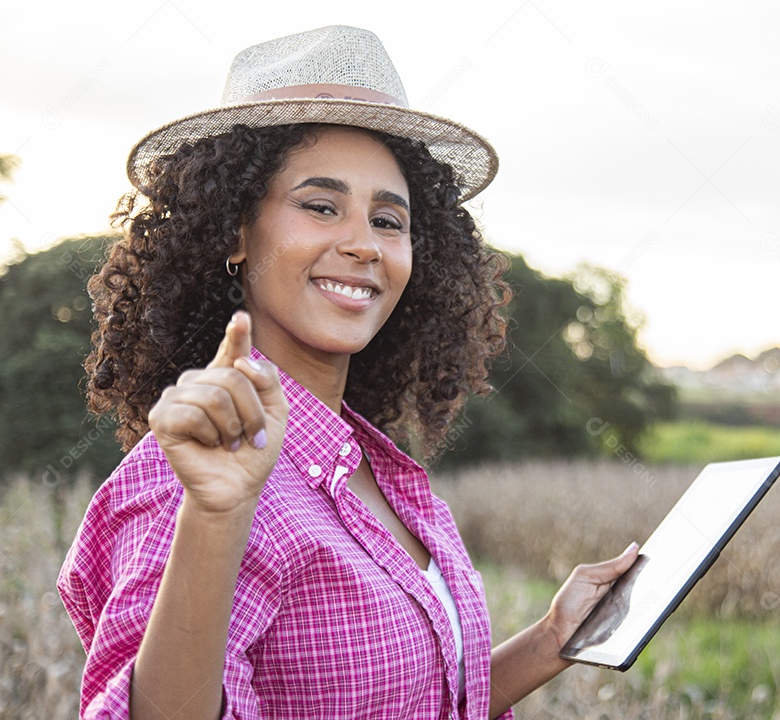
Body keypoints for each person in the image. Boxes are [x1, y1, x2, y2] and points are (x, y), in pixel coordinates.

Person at [57, 25, 637, 720]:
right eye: (321, 206)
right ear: (235, 231)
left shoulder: (370, 463)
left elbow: (413, 703)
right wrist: (214, 515)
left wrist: (550, 641)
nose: (363, 244)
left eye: (389, 219)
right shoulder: (194, 480)